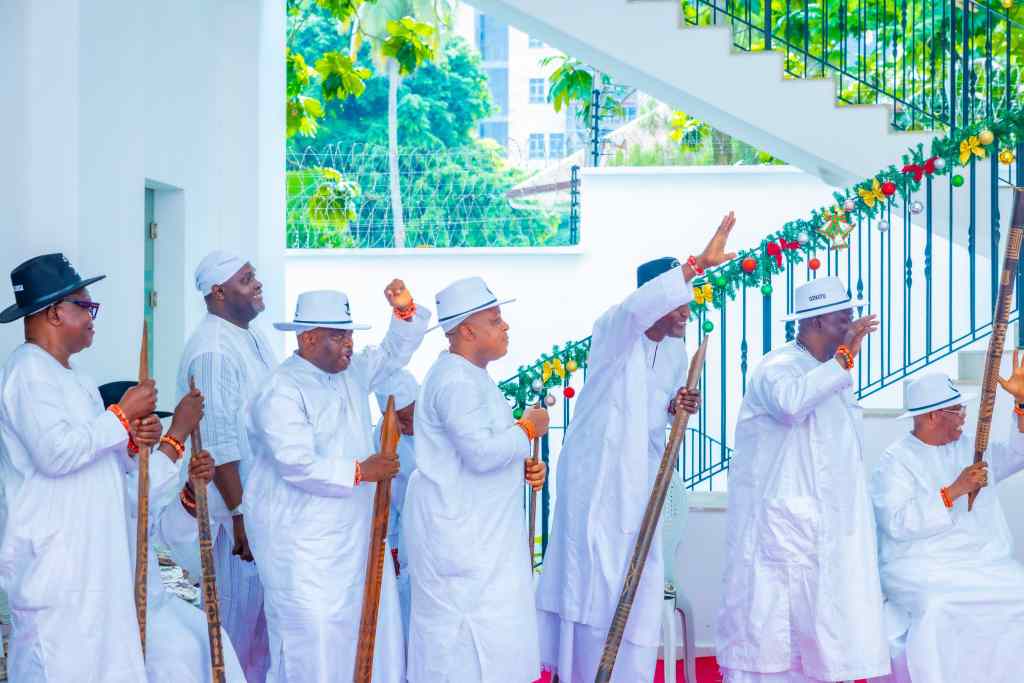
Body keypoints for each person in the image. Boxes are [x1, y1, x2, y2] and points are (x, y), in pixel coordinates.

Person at [535, 214, 738, 683]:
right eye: (677, 301)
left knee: (638, 587)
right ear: (653, 302)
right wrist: (695, 264)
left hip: (641, 482)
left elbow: (652, 415)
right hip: (597, 486)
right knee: (593, 587)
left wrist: (675, 407)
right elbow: (633, 312)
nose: (686, 311)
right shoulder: (614, 334)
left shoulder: (674, 353)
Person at [245, 283, 430, 682]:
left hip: (356, 537)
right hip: (304, 549)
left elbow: (391, 352)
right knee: (314, 645)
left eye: (349, 334)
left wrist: (403, 312)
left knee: (369, 637)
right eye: (338, 335)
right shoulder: (281, 390)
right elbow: (296, 464)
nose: (349, 344)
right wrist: (362, 471)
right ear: (308, 338)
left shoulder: (352, 372)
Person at [717, 275, 889, 683]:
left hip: (820, 525)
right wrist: (844, 358)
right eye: (842, 319)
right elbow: (792, 404)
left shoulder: (824, 369)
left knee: (821, 634)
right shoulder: (777, 368)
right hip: (781, 527)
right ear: (814, 322)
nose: (850, 327)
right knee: (771, 633)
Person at [0, 253, 155, 681]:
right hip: (57, 566)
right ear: (54, 313)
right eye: (85, 306)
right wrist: (122, 414)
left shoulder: (78, 379)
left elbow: (97, 457)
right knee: (59, 667)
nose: (91, 318)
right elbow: (56, 453)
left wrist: (132, 439)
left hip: (95, 560)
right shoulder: (27, 371)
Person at [403, 276, 549, 683]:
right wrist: (527, 428)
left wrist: (524, 465)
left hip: (484, 539)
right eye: (495, 320)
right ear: (467, 331)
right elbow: (481, 454)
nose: (505, 327)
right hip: (464, 543)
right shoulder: (454, 381)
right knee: (462, 650)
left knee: (494, 642)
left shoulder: (470, 376)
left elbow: (487, 450)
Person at [870, 369, 1024, 683]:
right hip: (919, 564)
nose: (964, 416)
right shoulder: (895, 461)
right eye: (957, 410)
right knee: (939, 605)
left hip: (982, 560)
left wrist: (1022, 405)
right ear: (932, 416)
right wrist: (953, 491)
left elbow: (1016, 455)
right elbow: (897, 523)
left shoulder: (970, 448)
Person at [98, 381, 246, 683]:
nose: (154, 431)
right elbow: (134, 500)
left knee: (212, 637)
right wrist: (176, 437)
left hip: (153, 601)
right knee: (178, 653)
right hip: (116, 608)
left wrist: (193, 489)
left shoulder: (141, 467)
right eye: (145, 421)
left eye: (155, 422)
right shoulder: (99, 473)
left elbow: (168, 535)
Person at [177, 250, 279, 680]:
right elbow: (217, 444)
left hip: (261, 508)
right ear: (218, 292)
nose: (257, 284)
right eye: (246, 279)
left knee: (263, 637)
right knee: (232, 638)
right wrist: (240, 516)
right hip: (235, 523)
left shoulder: (250, 337)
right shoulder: (213, 351)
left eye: (254, 276)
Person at [372, 369, 420, 641]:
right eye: (394, 420)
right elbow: (384, 495)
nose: (401, 427)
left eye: (406, 417)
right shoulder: (382, 435)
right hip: (404, 536)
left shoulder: (440, 422)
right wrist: (389, 545)